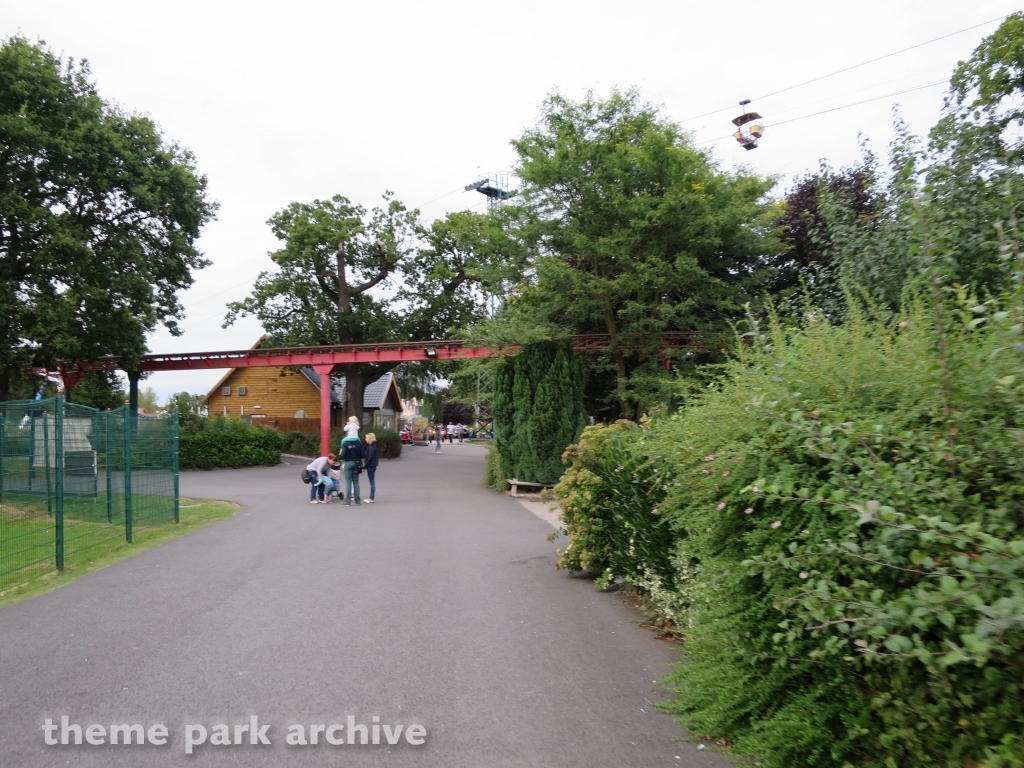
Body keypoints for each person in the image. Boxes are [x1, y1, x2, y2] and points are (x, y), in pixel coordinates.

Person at [339, 434, 365, 505]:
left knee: (348, 482)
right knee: (356, 482)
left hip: (348, 463)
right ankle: (357, 501)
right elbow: (363, 455)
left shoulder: (345, 443)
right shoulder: (359, 443)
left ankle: (348, 501)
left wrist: (341, 452)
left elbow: (343, 455)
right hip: (357, 463)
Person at [363, 432, 379, 503]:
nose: (365, 439)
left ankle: (371, 498)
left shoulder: (371, 447)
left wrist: (365, 466)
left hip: (371, 465)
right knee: (372, 481)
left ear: (369, 439)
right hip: (373, 465)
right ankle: (371, 497)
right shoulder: (373, 446)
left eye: (366, 438)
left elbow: (370, 458)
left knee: (372, 482)